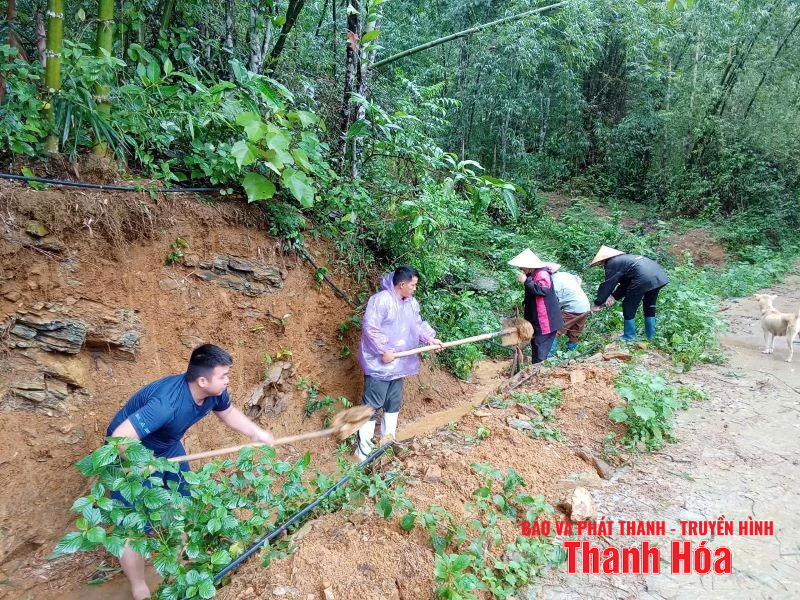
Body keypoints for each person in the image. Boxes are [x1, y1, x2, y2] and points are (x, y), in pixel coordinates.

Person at [105, 343, 274, 600]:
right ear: (203, 380)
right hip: (130, 453)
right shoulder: (166, 404)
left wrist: (255, 432)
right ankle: (139, 586)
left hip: (167, 447)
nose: (228, 380)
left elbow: (228, 413)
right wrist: (140, 464)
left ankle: (177, 562)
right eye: (224, 376)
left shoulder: (215, 393)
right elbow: (119, 440)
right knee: (132, 525)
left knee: (182, 501)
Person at [356, 266, 443, 460]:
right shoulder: (381, 300)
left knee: (392, 404)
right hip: (380, 364)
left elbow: (417, 325)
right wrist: (383, 350)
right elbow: (371, 328)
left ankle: (387, 443)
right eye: (413, 285)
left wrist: (430, 339)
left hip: (399, 364)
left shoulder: (411, 303)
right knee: (372, 405)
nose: (414, 288)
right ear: (402, 284)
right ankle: (363, 452)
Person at [589, 245, 669, 341]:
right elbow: (626, 284)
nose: (602, 265)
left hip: (644, 277)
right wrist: (613, 296)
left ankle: (629, 336)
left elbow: (608, 284)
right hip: (659, 276)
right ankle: (651, 337)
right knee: (649, 304)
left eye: (601, 263)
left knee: (629, 304)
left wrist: (598, 303)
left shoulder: (612, 262)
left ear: (604, 259)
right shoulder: (626, 259)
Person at [509, 249, 564, 364]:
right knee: (536, 346)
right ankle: (536, 370)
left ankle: (538, 373)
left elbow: (543, 291)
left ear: (528, 265)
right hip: (538, 320)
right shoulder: (533, 274)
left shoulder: (542, 274)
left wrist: (526, 281)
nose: (521, 269)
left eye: (522, 266)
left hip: (545, 321)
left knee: (540, 350)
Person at [549, 268, 591, 355]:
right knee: (575, 331)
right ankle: (571, 354)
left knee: (555, 330)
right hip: (585, 306)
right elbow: (578, 280)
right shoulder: (565, 274)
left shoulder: (554, 280)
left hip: (573, 307)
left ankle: (548, 356)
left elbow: (553, 298)